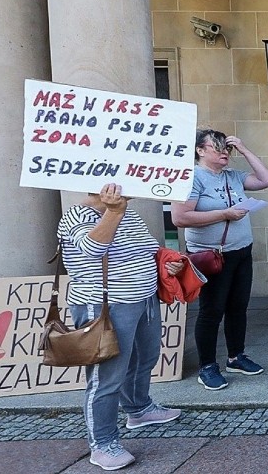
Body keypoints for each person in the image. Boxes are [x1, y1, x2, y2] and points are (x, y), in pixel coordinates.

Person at [57, 183, 181, 471]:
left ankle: (139, 409)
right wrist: (113, 211)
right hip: (105, 307)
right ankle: (102, 444)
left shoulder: (130, 214)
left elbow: (151, 249)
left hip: (143, 298)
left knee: (145, 358)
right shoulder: (76, 215)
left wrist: (168, 265)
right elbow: (92, 248)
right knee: (106, 377)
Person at [171, 129, 268, 390]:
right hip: (211, 255)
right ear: (200, 150)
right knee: (211, 311)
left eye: (226, 148)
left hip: (241, 251)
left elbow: (266, 179)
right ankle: (207, 366)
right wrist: (224, 214)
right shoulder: (192, 178)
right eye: (217, 147)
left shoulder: (234, 176)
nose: (224, 152)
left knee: (238, 307)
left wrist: (244, 149)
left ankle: (236, 356)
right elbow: (180, 218)